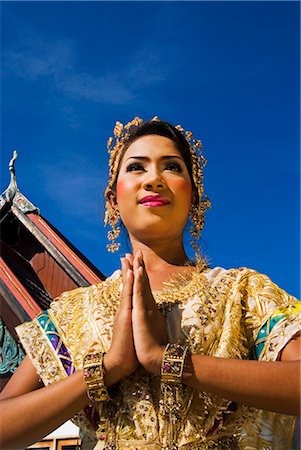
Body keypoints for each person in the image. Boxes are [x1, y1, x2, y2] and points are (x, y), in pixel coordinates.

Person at [0, 117, 300, 450]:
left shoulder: (242, 291)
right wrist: (109, 367)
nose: (154, 179)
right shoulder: (74, 311)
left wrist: (169, 360)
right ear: (113, 200)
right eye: (136, 168)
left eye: (172, 167)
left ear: (195, 197)